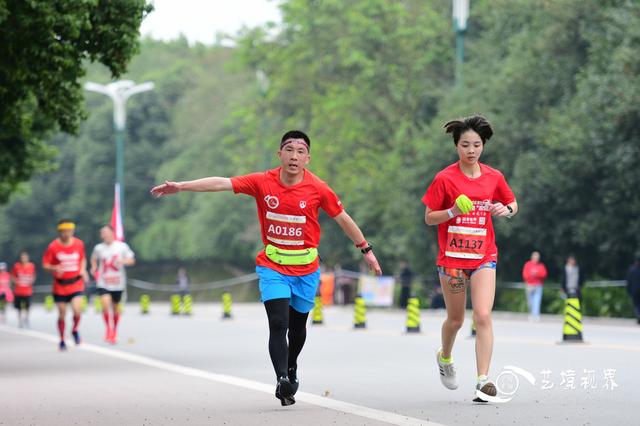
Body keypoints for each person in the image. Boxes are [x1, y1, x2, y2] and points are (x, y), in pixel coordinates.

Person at [151, 130, 382, 406]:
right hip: (273, 265)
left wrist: (366, 249)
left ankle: (292, 365)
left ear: (307, 158)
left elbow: (343, 219)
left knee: (297, 329)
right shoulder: (263, 181)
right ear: (280, 155)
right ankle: (282, 378)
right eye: (289, 149)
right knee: (278, 323)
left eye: (300, 151)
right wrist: (182, 186)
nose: (294, 156)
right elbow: (221, 183)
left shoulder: (318, 188)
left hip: (306, 269)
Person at [422, 115, 517, 403]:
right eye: (465, 145)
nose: (471, 150)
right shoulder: (445, 178)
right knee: (456, 319)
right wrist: (452, 211)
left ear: (483, 145)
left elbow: (511, 202)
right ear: (456, 146)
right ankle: (445, 356)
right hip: (451, 260)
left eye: (476, 144)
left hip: (483, 256)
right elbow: (429, 218)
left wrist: (506, 210)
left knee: (484, 315)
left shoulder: (494, 177)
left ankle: (483, 381)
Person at [42, 219, 88, 351]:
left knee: (77, 310)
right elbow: (45, 265)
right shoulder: (53, 246)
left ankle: (74, 329)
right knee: (62, 314)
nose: (67, 234)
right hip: (60, 286)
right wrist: (54, 268)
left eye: (70, 231)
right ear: (59, 232)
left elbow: (82, 258)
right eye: (64, 231)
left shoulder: (79, 244)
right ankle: (62, 339)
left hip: (76, 283)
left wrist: (83, 269)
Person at [90, 225, 135, 344]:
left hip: (118, 282)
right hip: (103, 281)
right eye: (102, 233)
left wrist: (123, 261)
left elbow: (132, 260)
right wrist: (94, 268)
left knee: (115, 308)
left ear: (112, 233)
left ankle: (114, 331)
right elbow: (94, 259)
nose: (104, 235)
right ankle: (108, 330)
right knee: (105, 305)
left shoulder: (122, 246)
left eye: (106, 232)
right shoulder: (99, 248)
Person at [11, 251, 36, 328]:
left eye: (25, 257)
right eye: (22, 258)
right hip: (18, 290)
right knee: (19, 307)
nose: (24, 259)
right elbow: (12, 276)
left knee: (27, 306)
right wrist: (16, 281)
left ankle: (26, 318)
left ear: (27, 258)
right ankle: (20, 321)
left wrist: (32, 280)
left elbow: (33, 275)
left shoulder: (31, 266)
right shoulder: (16, 266)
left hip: (27, 291)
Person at [522, 251, 548, 322]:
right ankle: (531, 314)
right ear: (532, 257)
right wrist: (530, 278)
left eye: (537, 257)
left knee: (537, 301)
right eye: (535, 257)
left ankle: (536, 316)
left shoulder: (541, 265)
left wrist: (536, 274)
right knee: (530, 301)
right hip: (530, 285)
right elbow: (525, 275)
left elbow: (544, 274)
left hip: (538, 286)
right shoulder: (528, 264)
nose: (536, 258)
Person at [626, 257, 640, 324]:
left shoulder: (631, 270)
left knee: (636, 305)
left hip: (634, 291)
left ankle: (638, 316)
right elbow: (629, 281)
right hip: (634, 291)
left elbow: (628, 281)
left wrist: (628, 290)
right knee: (636, 305)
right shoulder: (632, 269)